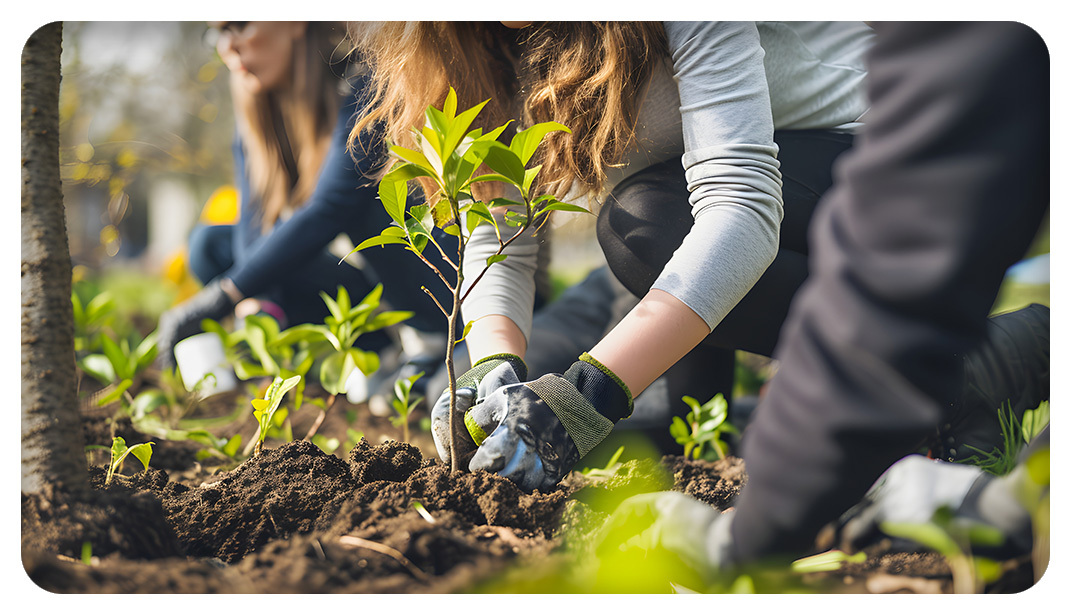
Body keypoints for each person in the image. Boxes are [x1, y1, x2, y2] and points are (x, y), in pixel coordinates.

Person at [350, 22, 1046, 489]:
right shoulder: (474, 41)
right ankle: (947, 387)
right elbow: (499, 222)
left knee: (641, 226)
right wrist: (494, 363)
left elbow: (739, 208)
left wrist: (586, 395)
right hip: (773, 192)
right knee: (685, 434)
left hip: (921, 162)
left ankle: (987, 361)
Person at [596, 21, 1050, 575]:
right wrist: (1019, 505)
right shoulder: (486, 49)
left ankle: (989, 367)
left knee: (646, 225)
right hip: (788, 177)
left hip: (842, 145)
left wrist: (753, 532)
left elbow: (905, 256)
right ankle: (981, 375)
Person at [155, 21, 456, 390]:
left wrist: (223, 296)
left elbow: (330, 208)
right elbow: (256, 220)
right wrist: (257, 302)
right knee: (210, 245)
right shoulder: (256, 108)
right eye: (218, 32)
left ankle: (426, 342)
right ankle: (368, 353)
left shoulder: (370, 83)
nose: (227, 47)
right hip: (367, 288)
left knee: (367, 199)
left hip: (430, 282)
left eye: (238, 24)